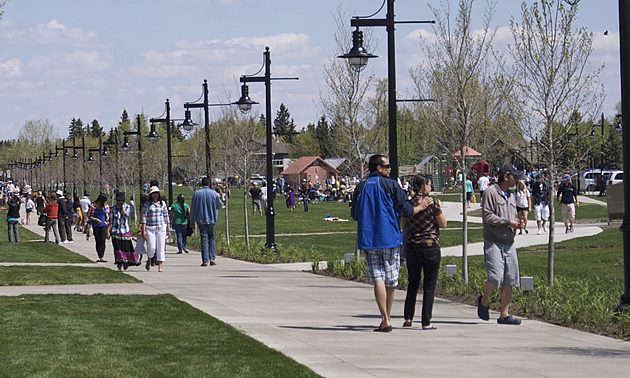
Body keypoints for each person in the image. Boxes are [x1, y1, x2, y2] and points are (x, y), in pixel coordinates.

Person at [351, 154, 426, 332]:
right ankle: (387, 317)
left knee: (378, 278)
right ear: (379, 168)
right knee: (390, 279)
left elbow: (355, 214)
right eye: (387, 166)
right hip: (390, 237)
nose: (390, 169)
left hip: (369, 239)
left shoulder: (360, 187)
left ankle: (385, 318)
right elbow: (406, 209)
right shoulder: (391, 184)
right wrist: (419, 207)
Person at [477, 163, 523, 325]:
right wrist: (507, 222)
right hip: (493, 242)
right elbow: (487, 216)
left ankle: (504, 314)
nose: (516, 179)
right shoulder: (490, 193)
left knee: (510, 279)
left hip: (509, 242)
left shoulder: (511, 195)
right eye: (514, 176)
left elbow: (513, 216)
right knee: (495, 277)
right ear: (506, 177)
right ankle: (484, 299)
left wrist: (517, 223)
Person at [402, 174, 447, 330]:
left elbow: (403, 223)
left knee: (413, 283)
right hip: (430, 245)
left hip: (412, 246)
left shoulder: (409, 204)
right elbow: (443, 224)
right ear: (423, 186)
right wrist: (439, 207)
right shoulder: (432, 203)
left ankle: (408, 317)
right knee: (429, 285)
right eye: (428, 184)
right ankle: (426, 321)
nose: (430, 187)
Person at [190, 177, 222, 267]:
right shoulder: (214, 193)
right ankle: (212, 258)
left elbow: (192, 208)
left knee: (204, 239)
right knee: (212, 238)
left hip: (201, 219)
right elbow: (218, 206)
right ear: (209, 184)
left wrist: (192, 221)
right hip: (211, 218)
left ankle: (205, 261)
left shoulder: (196, 194)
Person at [108, 192, 140, 271]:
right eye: (119, 201)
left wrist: (122, 208)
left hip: (124, 230)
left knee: (126, 248)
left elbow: (126, 216)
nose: (120, 202)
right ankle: (119, 265)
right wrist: (108, 231)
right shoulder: (113, 208)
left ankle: (126, 262)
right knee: (118, 248)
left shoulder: (127, 207)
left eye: (122, 201)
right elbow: (111, 221)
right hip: (116, 231)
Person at [141, 186, 170, 272]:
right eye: (153, 194)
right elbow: (144, 218)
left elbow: (166, 216)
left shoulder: (163, 204)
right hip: (150, 228)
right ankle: (149, 259)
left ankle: (160, 265)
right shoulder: (147, 204)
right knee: (151, 247)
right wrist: (143, 230)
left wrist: (168, 228)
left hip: (161, 227)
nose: (155, 195)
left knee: (161, 247)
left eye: (156, 193)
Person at [87, 193, 110, 263]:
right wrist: (95, 219)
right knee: (98, 240)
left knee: (103, 240)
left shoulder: (106, 206)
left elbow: (108, 216)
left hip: (103, 225)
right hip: (95, 225)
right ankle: (99, 256)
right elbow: (89, 215)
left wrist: (108, 227)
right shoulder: (93, 205)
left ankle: (102, 256)